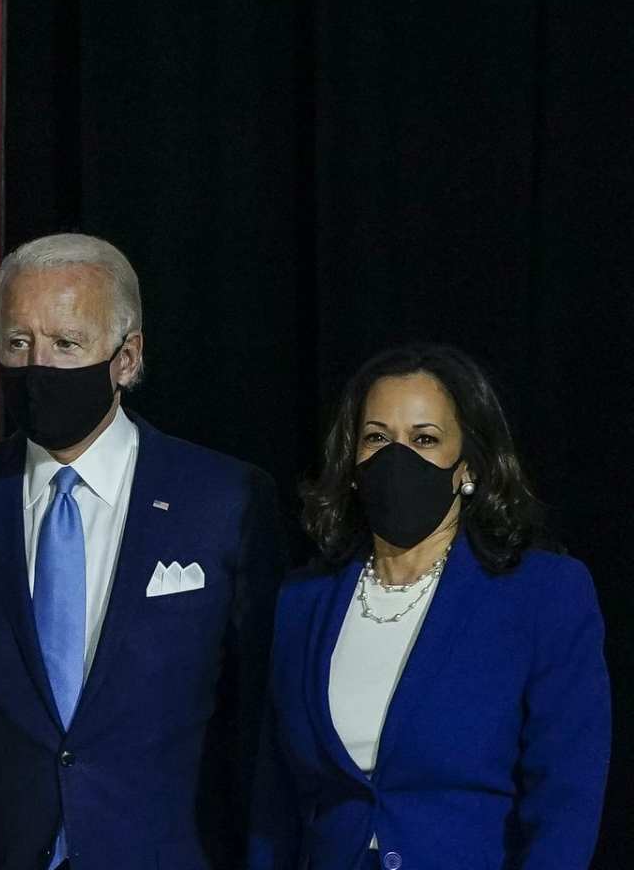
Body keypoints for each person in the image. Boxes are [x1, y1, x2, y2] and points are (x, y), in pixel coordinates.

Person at [0, 233, 284, 870]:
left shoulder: (224, 501)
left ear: (126, 358)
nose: (37, 366)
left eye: (66, 343)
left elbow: (260, 737)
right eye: (18, 343)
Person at [250, 344, 611, 870]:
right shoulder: (302, 602)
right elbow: (274, 801)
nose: (398, 458)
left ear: (467, 466)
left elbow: (566, 800)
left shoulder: (543, 594)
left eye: (425, 439)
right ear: (351, 463)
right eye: (377, 438)